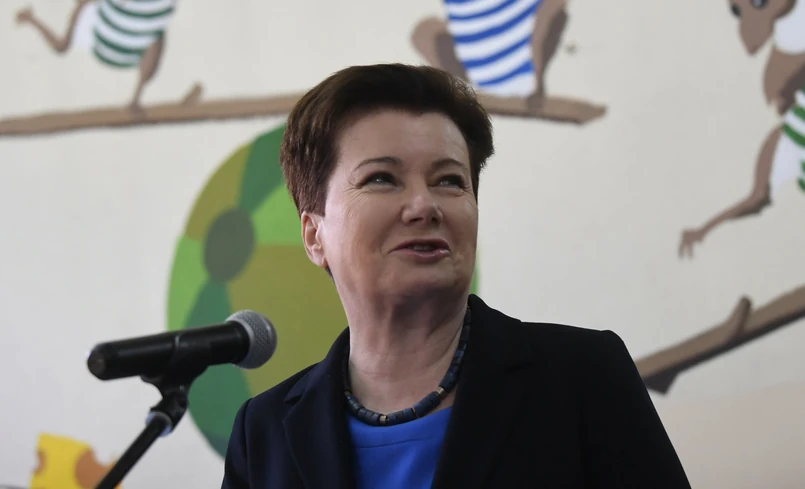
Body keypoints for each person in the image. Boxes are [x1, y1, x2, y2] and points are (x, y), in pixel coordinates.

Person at [220, 63, 691, 489]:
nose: (424, 206)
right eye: (382, 178)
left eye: (449, 181)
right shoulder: (263, 433)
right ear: (314, 235)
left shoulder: (581, 378)